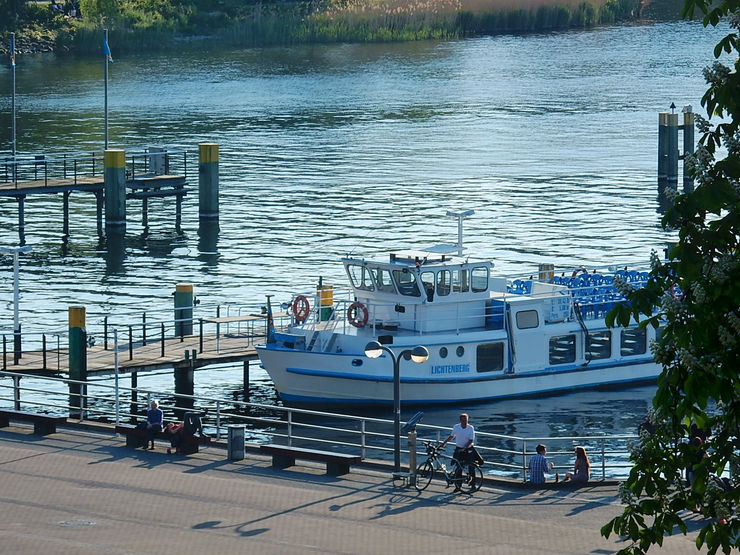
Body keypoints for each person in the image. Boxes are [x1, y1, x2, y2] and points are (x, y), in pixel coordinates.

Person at [441, 413, 483, 489]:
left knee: (471, 467)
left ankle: (473, 485)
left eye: (466, 420)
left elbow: (471, 440)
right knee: (458, 467)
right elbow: (452, 436)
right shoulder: (456, 427)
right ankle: (458, 486)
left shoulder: (470, 428)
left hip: (468, 449)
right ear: (460, 421)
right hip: (459, 448)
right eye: (463, 420)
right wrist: (444, 443)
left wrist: (465, 448)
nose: (465, 422)